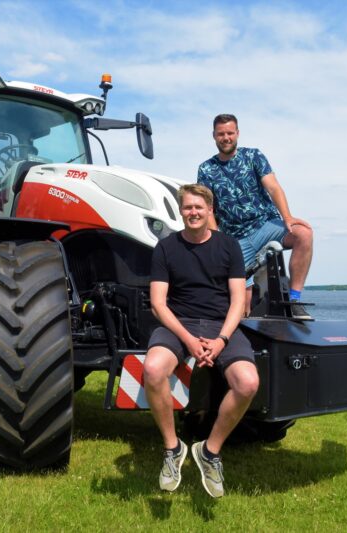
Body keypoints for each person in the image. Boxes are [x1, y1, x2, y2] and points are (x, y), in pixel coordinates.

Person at [143, 183, 259, 498]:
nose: (193, 212)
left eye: (199, 207)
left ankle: (210, 452)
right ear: (181, 211)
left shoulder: (229, 246)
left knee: (247, 383)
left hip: (221, 326)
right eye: (187, 207)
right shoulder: (166, 247)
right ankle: (172, 449)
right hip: (178, 324)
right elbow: (158, 304)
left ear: (210, 211)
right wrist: (189, 340)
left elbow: (238, 301)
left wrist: (221, 340)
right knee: (153, 370)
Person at [197, 114, 314, 319]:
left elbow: (273, 187)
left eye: (230, 133)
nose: (226, 138)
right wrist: (217, 239)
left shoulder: (253, 156)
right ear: (214, 136)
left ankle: (294, 301)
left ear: (237, 134)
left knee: (304, 234)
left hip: (266, 226)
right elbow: (208, 208)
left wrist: (287, 217)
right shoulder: (206, 169)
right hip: (236, 239)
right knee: (242, 307)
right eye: (221, 134)